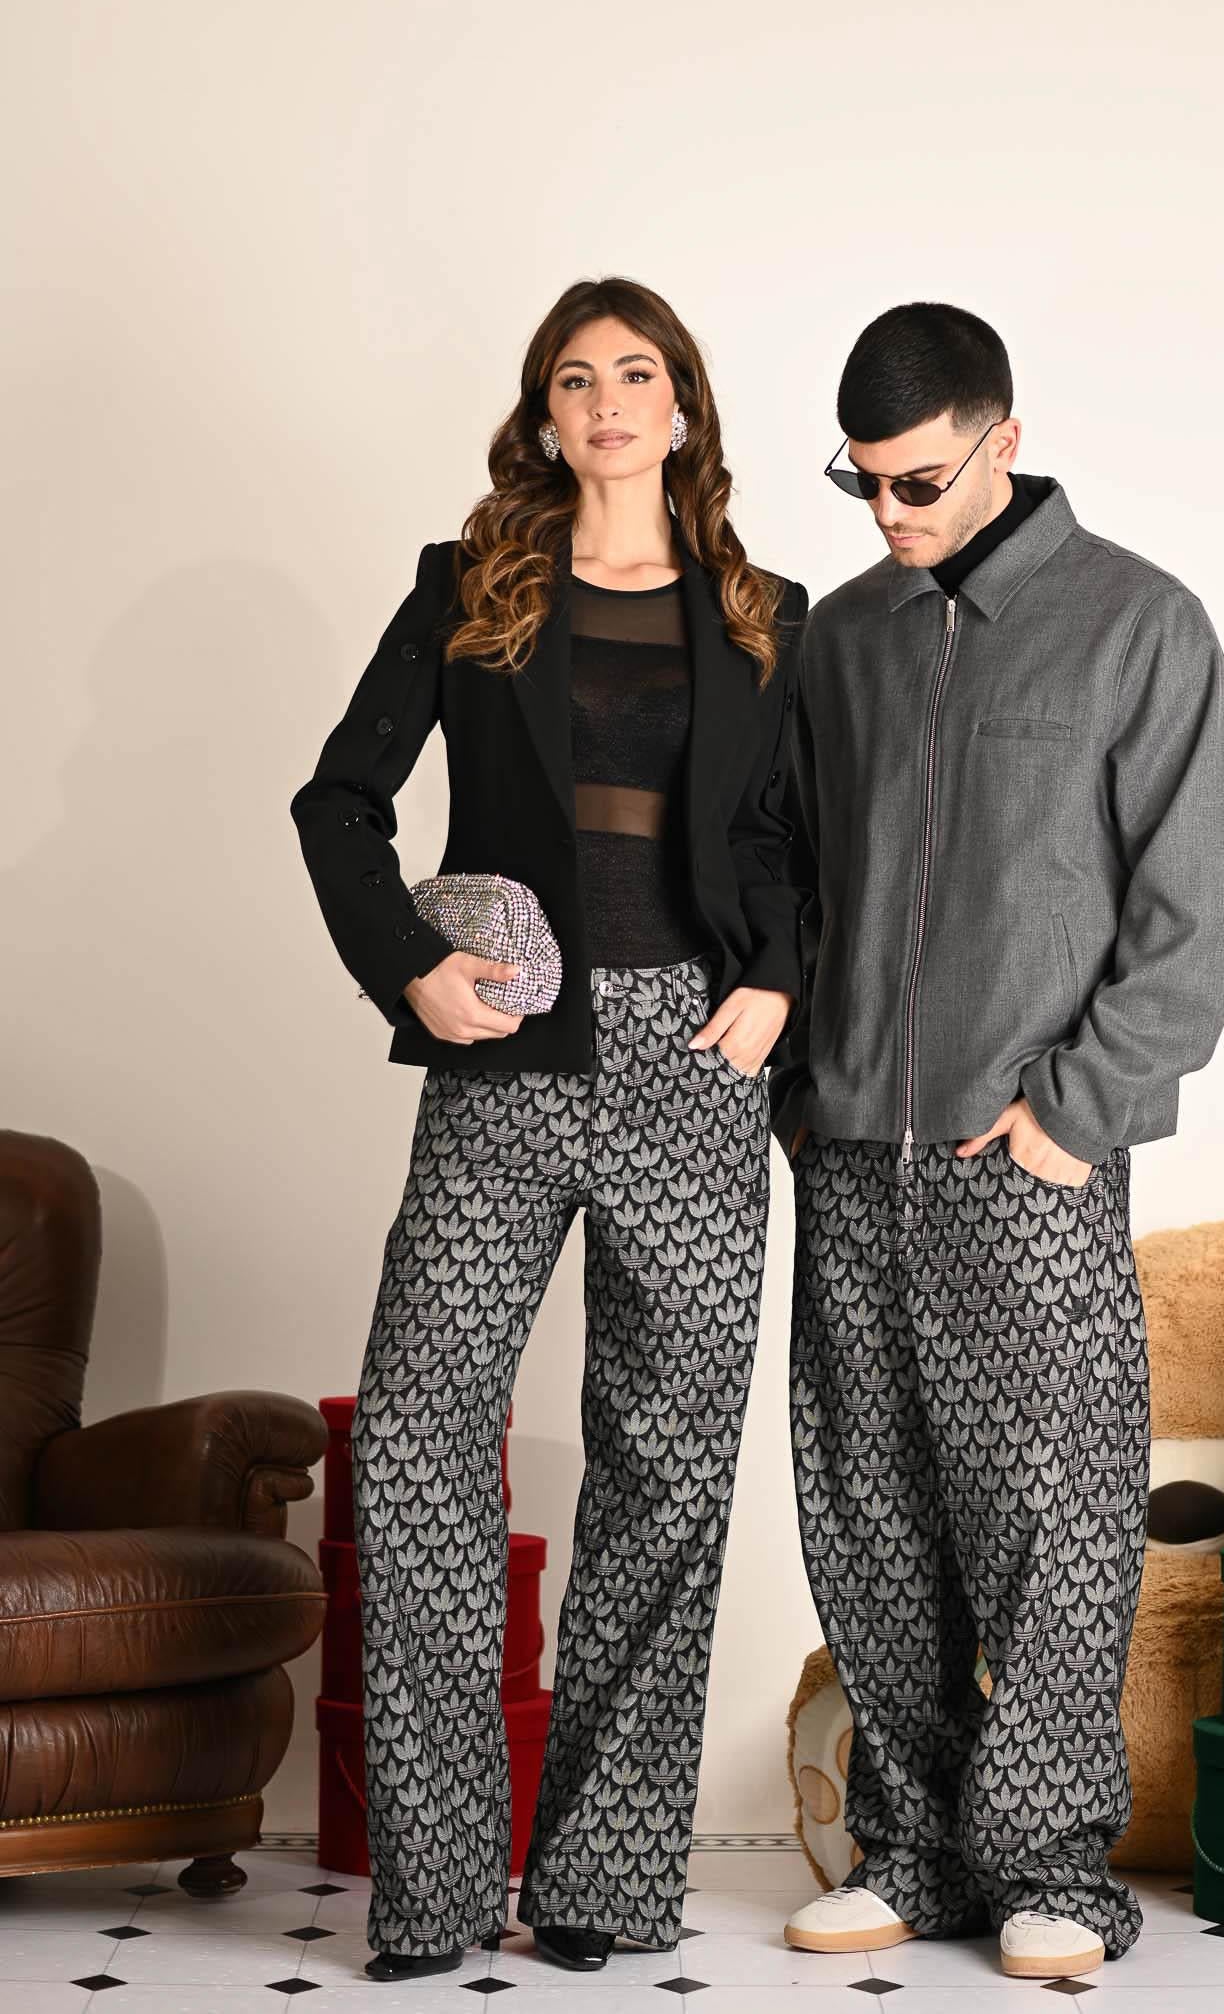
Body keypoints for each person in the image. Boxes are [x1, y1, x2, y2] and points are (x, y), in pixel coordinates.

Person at [289, 277, 808, 1984]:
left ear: (682, 406)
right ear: (543, 414)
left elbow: (804, 841)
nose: (606, 402)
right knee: (418, 1433)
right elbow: (338, 800)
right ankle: (437, 1890)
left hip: (696, 1061)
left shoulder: (767, 615)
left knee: (666, 1465)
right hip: (505, 1054)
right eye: (573, 379)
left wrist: (778, 980)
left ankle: (603, 1878)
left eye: (634, 374)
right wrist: (410, 965)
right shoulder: (469, 589)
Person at [771, 302, 1224, 1980]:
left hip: (1026, 1156)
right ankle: (911, 1847)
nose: (887, 512)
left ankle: (1051, 1867)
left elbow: (1194, 902)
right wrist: (802, 1085)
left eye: (915, 481)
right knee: (867, 1509)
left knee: (1051, 1517)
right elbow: (793, 878)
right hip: (851, 1151)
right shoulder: (842, 638)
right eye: (860, 481)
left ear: (1003, 439)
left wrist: (1074, 1112)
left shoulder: (1137, 623)